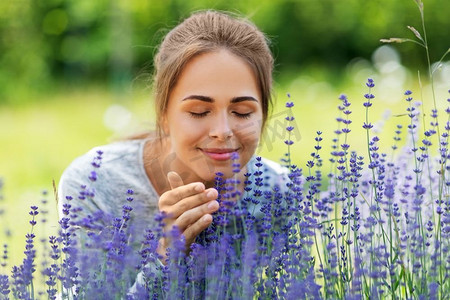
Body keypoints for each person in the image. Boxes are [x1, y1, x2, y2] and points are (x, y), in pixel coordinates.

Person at [58, 10, 290, 266]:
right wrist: (165, 257)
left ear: (264, 115)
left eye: (242, 112)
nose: (222, 130)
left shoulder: (278, 191)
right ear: (163, 114)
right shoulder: (95, 183)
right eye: (199, 112)